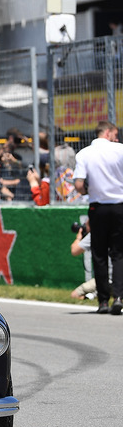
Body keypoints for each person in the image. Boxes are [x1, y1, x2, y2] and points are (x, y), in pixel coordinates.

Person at [73, 120, 123, 315]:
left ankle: (103, 301)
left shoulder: (84, 153)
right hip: (120, 206)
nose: (116, 138)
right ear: (108, 132)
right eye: (115, 134)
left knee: (99, 254)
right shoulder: (120, 149)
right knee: (118, 253)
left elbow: (78, 185)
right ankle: (118, 297)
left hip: (97, 207)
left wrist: (91, 190)